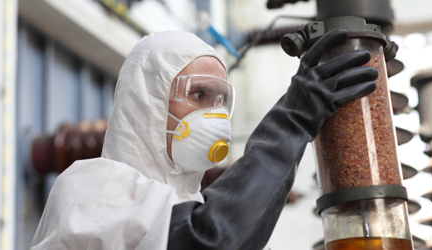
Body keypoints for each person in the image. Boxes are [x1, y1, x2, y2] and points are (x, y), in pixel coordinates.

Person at [30, 29, 377, 249]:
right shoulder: (91, 188)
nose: (214, 114)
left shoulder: (186, 202)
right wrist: (294, 120)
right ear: (147, 101)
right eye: (198, 95)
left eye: (221, 100)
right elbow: (212, 238)